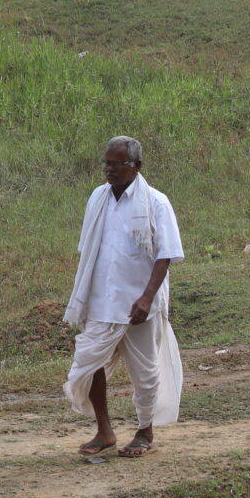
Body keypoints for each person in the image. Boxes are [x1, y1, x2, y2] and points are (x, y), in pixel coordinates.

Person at [61, 136, 185, 458]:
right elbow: (89, 250)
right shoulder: (98, 198)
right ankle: (105, 430)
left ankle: (144, 431)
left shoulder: (156, 202)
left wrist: (146, 298)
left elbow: (166, 255)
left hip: (139, 305)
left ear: (137, 166)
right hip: (102, 300)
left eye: (118, 164)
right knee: (90, 364)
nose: (110, 170)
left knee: (145, 373)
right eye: (107, 163)